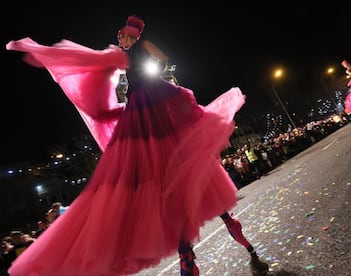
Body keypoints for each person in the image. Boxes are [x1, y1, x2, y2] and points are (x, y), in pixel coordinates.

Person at [6, 15, 268, 275]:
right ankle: (245, 253)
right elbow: (146, 62)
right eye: (122, 36)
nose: (122, 39)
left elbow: (153, 60)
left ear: (130, 35)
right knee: (165, 161)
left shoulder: (130, 51)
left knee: (163, 159)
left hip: (149, 106)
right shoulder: (124, 54)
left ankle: (238, 254)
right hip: (149, 106)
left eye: (124, 35)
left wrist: (144, 65)